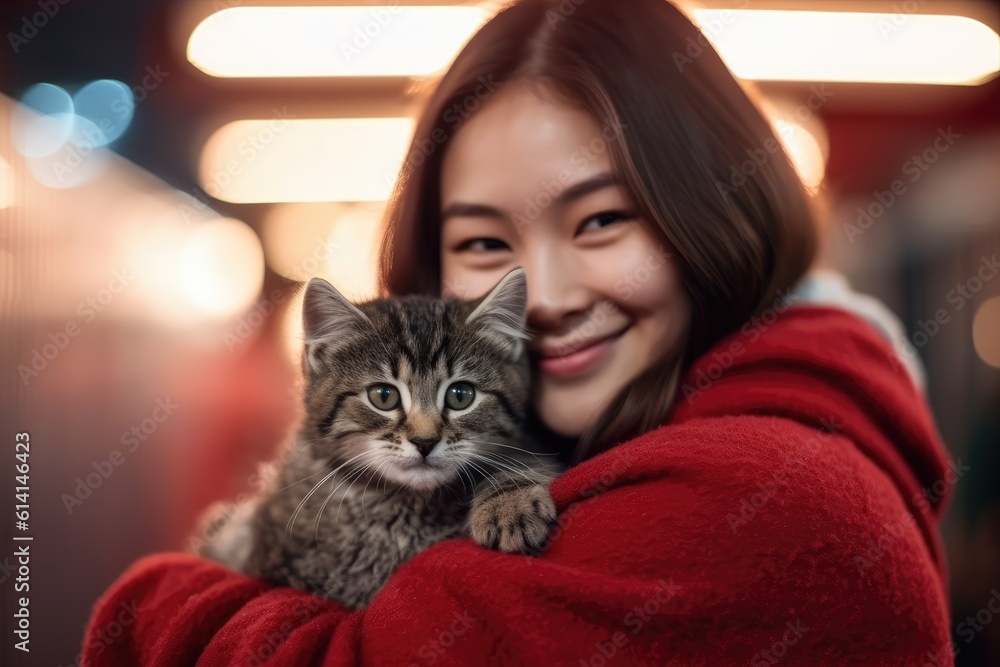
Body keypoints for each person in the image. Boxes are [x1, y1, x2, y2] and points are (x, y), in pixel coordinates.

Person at [83, 0, 954, 664]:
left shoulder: (768, 502)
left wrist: (161, 596)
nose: (538, 297)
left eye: (602, 219)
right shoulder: (616, 422)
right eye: (484, 241)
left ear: (712, 217)